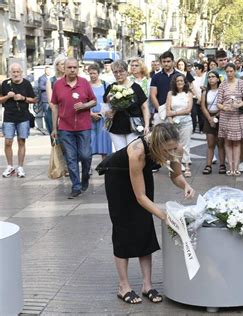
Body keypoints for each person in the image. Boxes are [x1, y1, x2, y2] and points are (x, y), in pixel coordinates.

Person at [99, 123, 195, 305]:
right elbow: (140, 197)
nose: (171, 154)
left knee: (145, 225)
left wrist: (186, 185)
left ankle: (147, 285)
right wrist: (165, 216)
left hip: (141, 172)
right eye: (167, 151)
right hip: (118, 176)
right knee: (123, 228)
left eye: (174, 148)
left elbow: (175, 175)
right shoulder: (138, 151)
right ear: (157, 146)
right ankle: (124, 286)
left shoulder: (175, 148)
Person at [50, 58, 97, 198]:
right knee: (70, 158)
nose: (72, 70)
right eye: (69, 67)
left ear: (78, 69)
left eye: (74, 67)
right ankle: (76, 186)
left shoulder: (84, 83)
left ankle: (85, 177)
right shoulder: (58, 85)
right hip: (65, 127)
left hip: (84, 126)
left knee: (85, 155)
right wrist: (54, 128)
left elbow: (93, 101)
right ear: (64, 68)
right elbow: (55, 106)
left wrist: (84, 106)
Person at [103, 60, 150, 151]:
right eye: (115, 72)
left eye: (121, 71)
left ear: (127, 72)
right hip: (116, 126)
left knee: (132, 152)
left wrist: (147, 125)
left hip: (134, 126)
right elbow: (105, 106)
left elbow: (144, 107)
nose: (118, 74)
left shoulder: (136, 87)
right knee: (120, 154)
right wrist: (107, 112)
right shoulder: (111, 88)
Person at [0, 63, 37, 178]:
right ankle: (10, 166)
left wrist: (23, 98)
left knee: (21, 141)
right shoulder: (5, 84)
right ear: (10, 73)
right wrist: (7, 97)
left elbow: (34, 100)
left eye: (18, 72)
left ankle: (20, 167)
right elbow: (0, 100)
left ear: (21, 72)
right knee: (8, 142)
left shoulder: (26, 84)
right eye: (13, 72)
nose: (16, 74)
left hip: (23, 117)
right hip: (9, 117)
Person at [216, 63, 243, 176]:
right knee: (227, 142)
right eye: (227, 72)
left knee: (236, 143)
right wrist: (224, 107)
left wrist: (240, 104)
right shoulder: (222, 85)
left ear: (235, 71)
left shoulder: (240, 82)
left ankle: (236, 167)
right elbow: (218, 103)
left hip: (238, 115)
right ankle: (230, 167)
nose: (229, 73)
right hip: (226, 116)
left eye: (231, 71)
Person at [166, 73, 193, 177]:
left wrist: (175, 113)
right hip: (173, 123)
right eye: (177, 81)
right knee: (174, 145)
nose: (180, 83)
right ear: (174, 83)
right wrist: (170, 119)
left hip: (186, 122)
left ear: (184, 82)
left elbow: (188, 110)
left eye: (181, 81)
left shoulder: (189, 93)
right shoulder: (170, 94)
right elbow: (168, 110)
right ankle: (176, 166)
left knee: (185, 144)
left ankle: (186, 166)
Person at [201, 70, 225, 175]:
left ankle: (222, 164)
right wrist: (210, 119)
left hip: (220, 117)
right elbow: (203, 106)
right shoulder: (205, 92)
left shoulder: (222, 91)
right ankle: (208, 165)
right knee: (210, 143)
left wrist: (216, 116)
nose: (211, 79)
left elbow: (224, 104)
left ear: (218, 79)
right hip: (208, 117)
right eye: (209, 77)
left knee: (220, 143)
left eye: (213, 77)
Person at [88, 63, 112, 160]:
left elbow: (111, 101)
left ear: (99, 73)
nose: (93, 75)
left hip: (103, 118)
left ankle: (106, 167)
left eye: (94, 73)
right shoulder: (86, 85)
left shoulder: (106, 85)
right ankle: (87, 168)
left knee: (104, 145)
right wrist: (90, 114)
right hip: (90, 117)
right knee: (89, 144)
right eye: (90, 73)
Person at [150, 51, 179, 124]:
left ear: (173, 62)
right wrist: (161, 110)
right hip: (159, 113)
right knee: (159, 135)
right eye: (164, 61)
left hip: (176, 113)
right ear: (161, 63)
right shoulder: (155, 77)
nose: (166, 63)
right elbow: (153, 95)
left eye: (168, 61)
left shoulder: (179, 76)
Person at [46, 55, 67, 141]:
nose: (64, 66)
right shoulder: (51, 81)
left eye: (66, 64)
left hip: (68, 113)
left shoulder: (71, 79)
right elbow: (51, 102)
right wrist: (58, 115)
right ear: (57, 66)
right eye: (62, 64)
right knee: (57, 141)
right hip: (54, 113)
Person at [35, 66, 51, 131]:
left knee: (49, 114)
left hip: (50, 99)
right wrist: (49, 87)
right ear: (45, 71)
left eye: (50, 71)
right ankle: (47, 128)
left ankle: (49, 127)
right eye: (48, 70)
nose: (49, 72)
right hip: (45, 99)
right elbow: (41, 87)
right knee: (46, 114)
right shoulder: (42, 78)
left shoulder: (50, 78)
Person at [191, 63, 206, 133]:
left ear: (201, 69)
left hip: (203, 98)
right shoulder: (193, 78)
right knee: (193, 113)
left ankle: (201, 129)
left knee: (201, 114)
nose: (195, 70)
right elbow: (192, 88)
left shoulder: (205, 78)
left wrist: (201, 98)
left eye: (196, 69)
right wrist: (197, 97)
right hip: (194, 98)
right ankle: (193, 128)